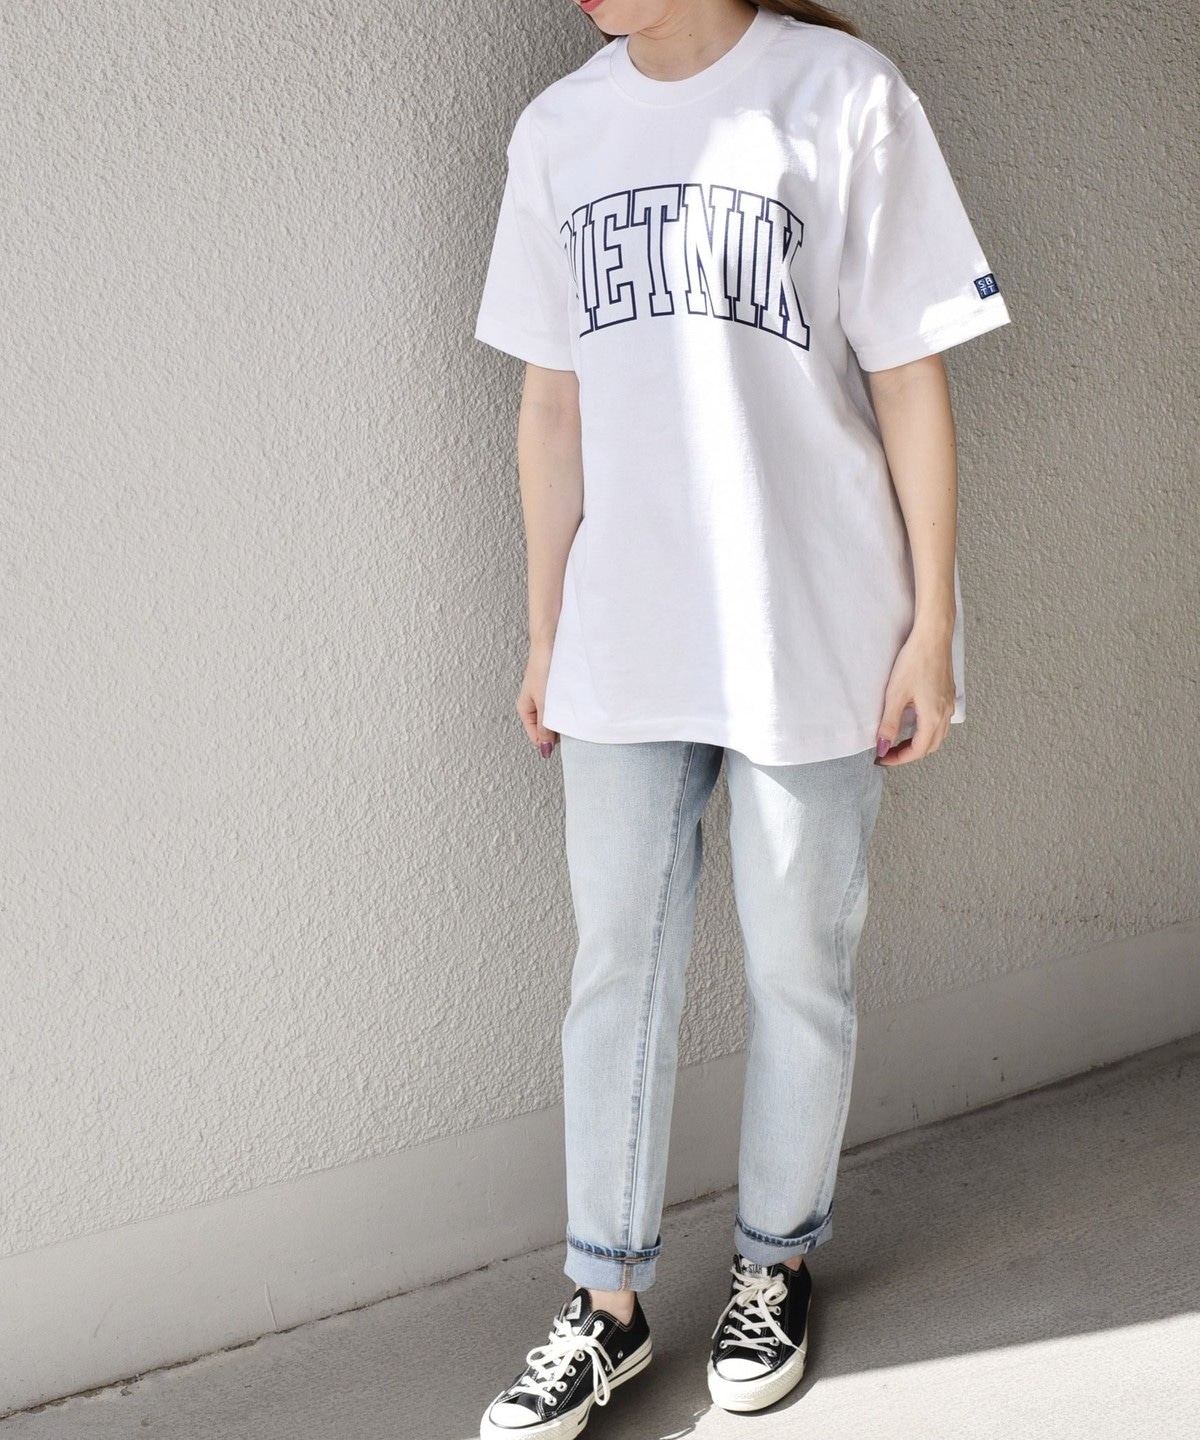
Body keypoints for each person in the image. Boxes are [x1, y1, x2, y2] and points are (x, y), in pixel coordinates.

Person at [472, 0, 1011, 1430]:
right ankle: (604, 1306)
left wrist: (932, 627)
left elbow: (909, 375)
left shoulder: (844, 94)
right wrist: (545, 632)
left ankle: (777, 1265)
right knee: (616, 974)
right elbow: (551, 407)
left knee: (797, 970)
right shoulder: (561, 131)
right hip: (625, 634)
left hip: (811, 624)